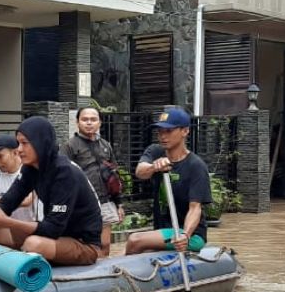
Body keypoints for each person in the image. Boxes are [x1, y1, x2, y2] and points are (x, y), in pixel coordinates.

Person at [0, 116, 102, 265]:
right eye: (18, 143)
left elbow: (52, 228)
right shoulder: (31, 168)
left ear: (41, 143)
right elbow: (6, 204)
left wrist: (7, 222)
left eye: (24, 143)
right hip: (54, 238)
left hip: (83, 244)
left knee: (33, 244)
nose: (19, 149)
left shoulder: (65, 172)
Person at [125, 106, 212, 255]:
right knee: (141, 249)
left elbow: (195, 208)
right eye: (160, 131)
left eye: (169, 131)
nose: (163, 136)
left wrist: (185, 235)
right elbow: (140, 172)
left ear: (185, 131)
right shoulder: (155, 151)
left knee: (135, 240)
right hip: (163, 230)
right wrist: (154, 167)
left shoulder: (196, 166)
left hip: (189, 235)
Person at [62, 106, 124, 258]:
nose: (89, 123)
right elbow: (63, 176)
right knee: (87, 244)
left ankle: (104, 275)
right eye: (84, 119)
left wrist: (119, 204)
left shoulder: (106, 145)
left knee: (105, 244)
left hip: (105, 201)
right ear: (77, 122)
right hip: (82, 203)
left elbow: (113, 176)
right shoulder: (69, 146)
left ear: (100, 123)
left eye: (93, 119)